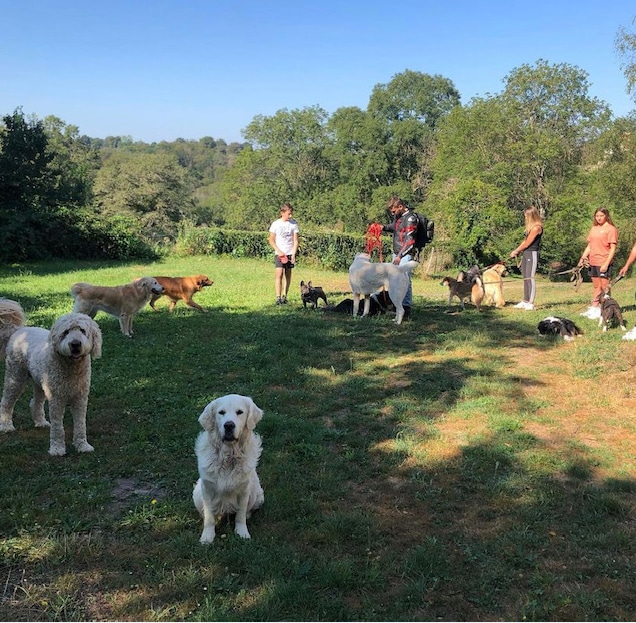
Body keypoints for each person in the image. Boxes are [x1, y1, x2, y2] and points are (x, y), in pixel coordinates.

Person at [578, 207, 618, 320]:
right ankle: (594, 308)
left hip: (604, 261)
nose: (599, 218)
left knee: (604, 287)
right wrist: (583, 257)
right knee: (596, 286)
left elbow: (613, 248)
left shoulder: (611, 229)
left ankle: (607, 309)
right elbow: (590, 245)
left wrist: (606, 263)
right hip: (593, 262)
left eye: (601, 216)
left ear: (606, 216)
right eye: (597, 216)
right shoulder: (594, 228)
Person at [382, 196, 419, 319]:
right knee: (395, 280)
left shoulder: (411, 219)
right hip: (397, 253)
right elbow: (395, 227)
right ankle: (398, 307)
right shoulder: (400, 218)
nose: (393, 213)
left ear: (400, 207)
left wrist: (399, 256)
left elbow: (410, 240)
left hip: (405, 255)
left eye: (394, 211)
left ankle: (406, 309)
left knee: (405, 280)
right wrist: (382, 227)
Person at [509, 206, 544, 310]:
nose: (525, 218)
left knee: (530, 278)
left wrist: (517, 250)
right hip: (526, 253)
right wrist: (516, 250)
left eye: (526, 216)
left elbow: (528, 243)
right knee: (525, 277)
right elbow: (524, 242)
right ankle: (525, 300)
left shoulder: (537, 227)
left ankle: (531, 302)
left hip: (532, 253)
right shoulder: (530, 228)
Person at [268, 202, 299, 305]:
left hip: (290, 253)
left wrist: (293, 254)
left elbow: (295, 241)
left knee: (288, 275)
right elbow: (271, 240)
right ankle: (278, 297)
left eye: (291, 213)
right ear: (282, 213)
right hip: (279, 253)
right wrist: (279, 251)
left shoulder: (293, 224)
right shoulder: (275, 224)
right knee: (279, 274)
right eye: (288, 214)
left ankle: (285, 296)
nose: (290, 216)